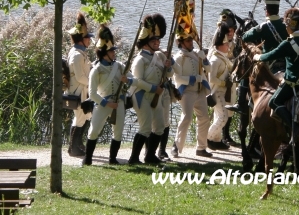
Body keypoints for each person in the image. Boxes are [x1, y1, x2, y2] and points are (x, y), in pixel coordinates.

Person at [253, 7, 299, 137]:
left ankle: (294, 127)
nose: (285, 27)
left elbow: (270, 55)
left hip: (293, 82)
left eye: (286, 24)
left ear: (290, 25)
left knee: (274, 101)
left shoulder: (288, 43)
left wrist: (257, 57)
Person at [230, 0, 288, 115]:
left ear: (266, 11)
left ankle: (241, 104)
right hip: (287, 65)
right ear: (277, 10)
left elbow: (245, 37)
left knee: (246, 71)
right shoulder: (285, 25)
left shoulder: (264, 26)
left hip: (269, 65)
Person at [127, 13, 173, 165]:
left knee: (159, 127)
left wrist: (168, 65)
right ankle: (134, 158)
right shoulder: (140, 59)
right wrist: (153, 88)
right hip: (142, 97)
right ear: (146, 42)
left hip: (156, 97)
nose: (157, 42)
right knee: (145, 128)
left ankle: (150, 156)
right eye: (154, 39)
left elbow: (169, 75)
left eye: (158, 39)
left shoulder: (158, 57)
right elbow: (136, 82)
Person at [83, 25, 132, 165]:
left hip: (119, 103)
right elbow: (92, 94)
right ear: (105, 53)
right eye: (111, 51)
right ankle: (88, 159)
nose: (114, 53)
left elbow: (132, 80)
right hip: (103, 103)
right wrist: (107, 103)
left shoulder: (120, 66)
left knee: (118, 132)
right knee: (93, 131)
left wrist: (126, 80)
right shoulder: (96, 70)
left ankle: (112, 159)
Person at [171, 26, 213, 158]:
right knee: (187, 118)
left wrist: (204, 58)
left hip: (200, 91)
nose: (191, 42)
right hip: (187, 92)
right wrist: (193, 78)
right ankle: (176, 146)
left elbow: (209, 68)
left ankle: (201, 147)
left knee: (204, 118)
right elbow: (177, 78)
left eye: (191, 40)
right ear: (181, 43)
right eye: (188, 41)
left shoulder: (197, 54)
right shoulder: (179, 57)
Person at [65, 12, 94, 157]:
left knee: (85, 117)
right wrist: (93, 81)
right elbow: (80, 77)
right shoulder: (76, 54)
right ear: (81, 39)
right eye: (88, 38)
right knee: (80, 119)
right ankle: (73, 148)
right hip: (79, 91)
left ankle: (77, 146)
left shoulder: (80, 53)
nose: (89, 40)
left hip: (82, 91)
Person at [207, 22, 234, 150]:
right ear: (220, 45)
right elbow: (211, 79)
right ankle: (207, 137)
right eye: (226, 44)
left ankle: (216, 140)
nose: (228, 46)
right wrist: (224, 83)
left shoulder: (223, 58)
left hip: (224, 91)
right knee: (223, 117)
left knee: (220, 116)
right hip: (217, 91)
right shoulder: (215, 60)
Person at [215, 9, 240, 147]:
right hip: (220, 80)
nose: (230, 33)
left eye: (232, 30)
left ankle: (226, 135)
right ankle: (216, 137)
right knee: (221, 110)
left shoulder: (234, 42)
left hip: (231, 80)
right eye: (228, 30)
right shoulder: (218, 42)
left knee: (230, 108)